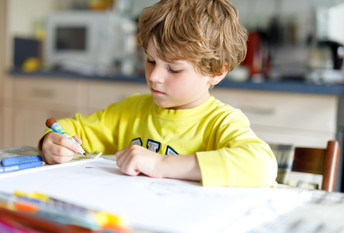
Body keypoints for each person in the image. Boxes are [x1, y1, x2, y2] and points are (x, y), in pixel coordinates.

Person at [39, 0, 277, 187]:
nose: (154, 76)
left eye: (173, 68)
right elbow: (72, 130)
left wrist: (162, 163)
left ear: (216, 71)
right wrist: (52, 142)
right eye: (151, 61)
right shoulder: (131, 110)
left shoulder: (221, 122)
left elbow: (262, 166)